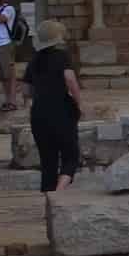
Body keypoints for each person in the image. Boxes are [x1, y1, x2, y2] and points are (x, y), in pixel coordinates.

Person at [24, 20, 84, 192]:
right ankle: (59, 192)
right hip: (62, 112)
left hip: (39, 115)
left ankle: (49, 198)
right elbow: (70, 79)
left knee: (48, 162)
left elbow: (26, 90)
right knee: (70, 157)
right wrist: (79, 104)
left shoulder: (33, 61)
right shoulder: (62, 57)